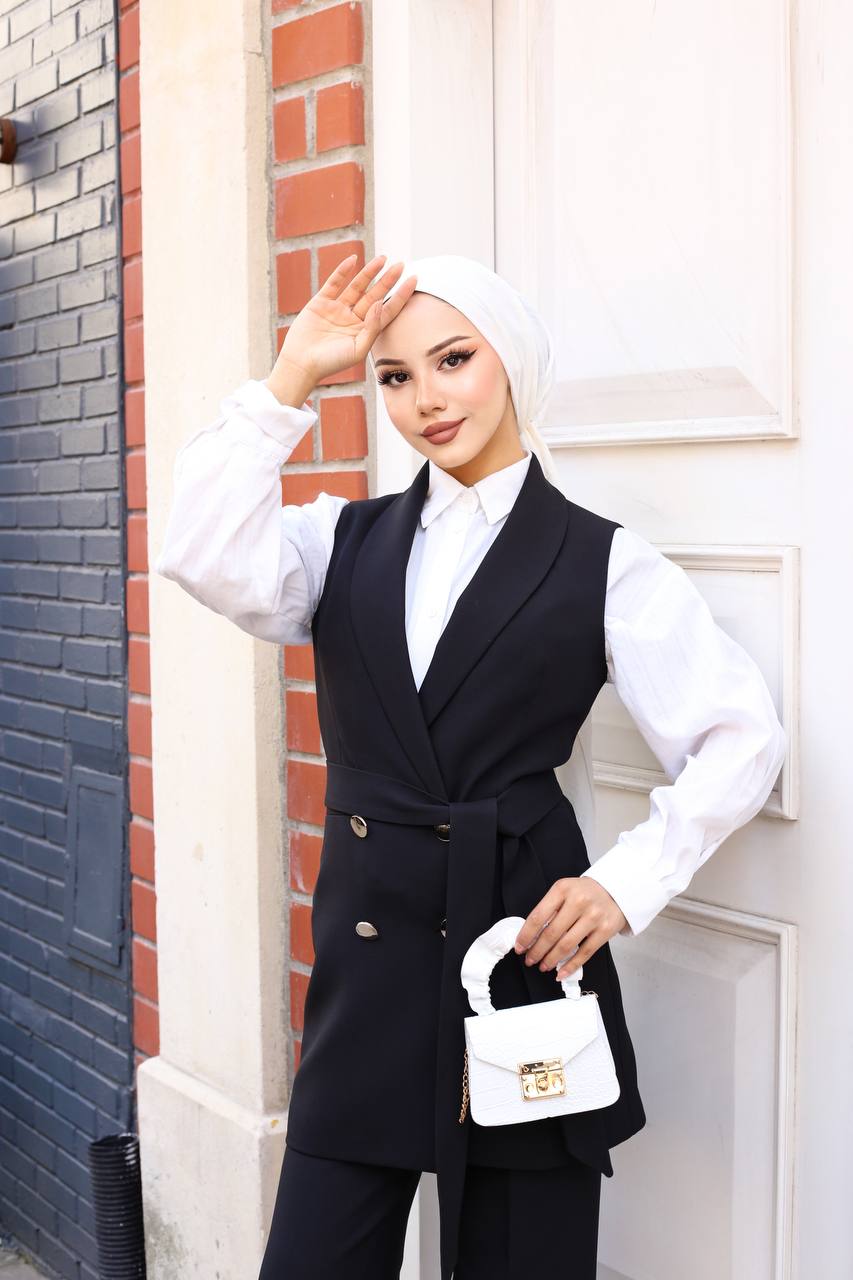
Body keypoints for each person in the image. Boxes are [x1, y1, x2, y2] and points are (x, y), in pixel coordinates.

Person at [155, 253, 787, 1279]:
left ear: (512, 361)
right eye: (393, 376)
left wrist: (624, 884)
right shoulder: (336, 540)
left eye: (452, 359)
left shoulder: (603, 560)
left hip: (522, 957)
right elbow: (199, 547)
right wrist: (289, 381)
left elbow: (740, 736)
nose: (424, 399)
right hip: (369, 968)